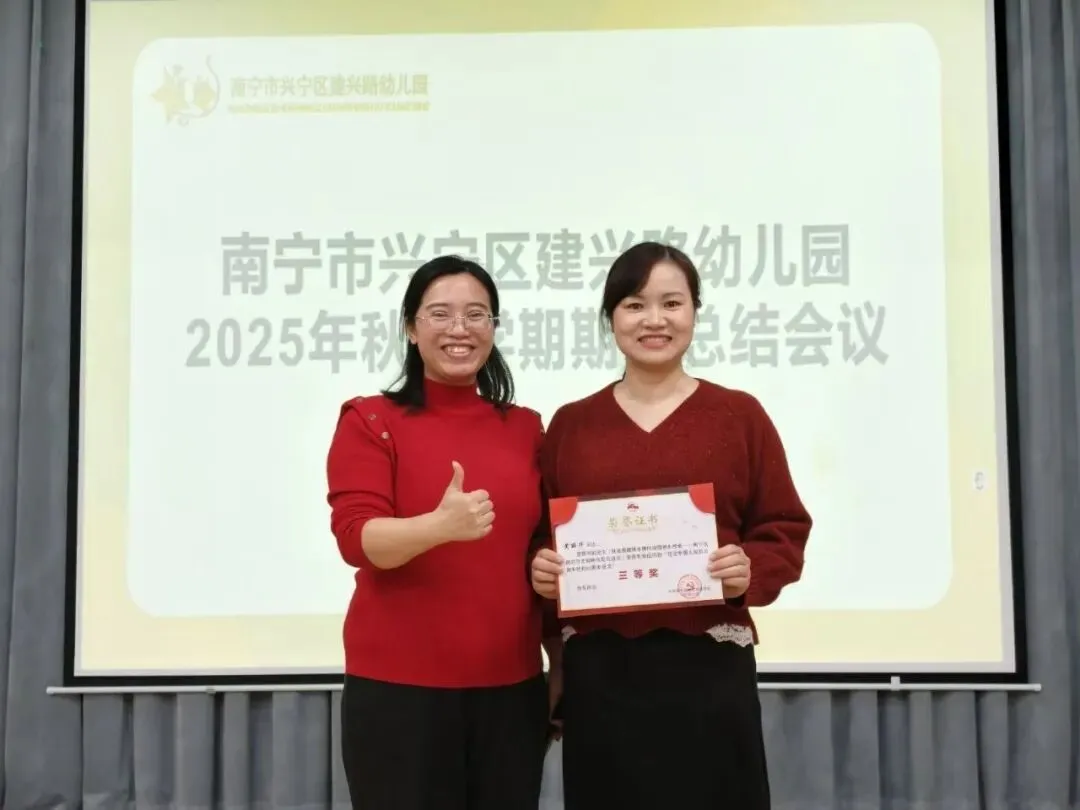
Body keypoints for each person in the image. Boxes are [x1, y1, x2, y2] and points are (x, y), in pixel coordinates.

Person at [530, 241, 812, 810]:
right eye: (635, 305)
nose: (654, 320)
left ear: (695, 312)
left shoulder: (739, 415)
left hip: (708, 664)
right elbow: (540, 535)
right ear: (611, 317)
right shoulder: (571, 425)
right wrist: (541, 568)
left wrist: (748, 571)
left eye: (672, 303)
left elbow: (783, 525)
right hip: (601, 671)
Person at [326, 255, 556, 810]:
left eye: (477, 314)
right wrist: (439, 527)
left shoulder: (525, 428)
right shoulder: (371, 420)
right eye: (440, 314)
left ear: (493, 328)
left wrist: (561, 661)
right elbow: (357, 539)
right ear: (411, 327)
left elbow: (543, 553)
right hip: (399, 694)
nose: (460, 328)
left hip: (511, 688)